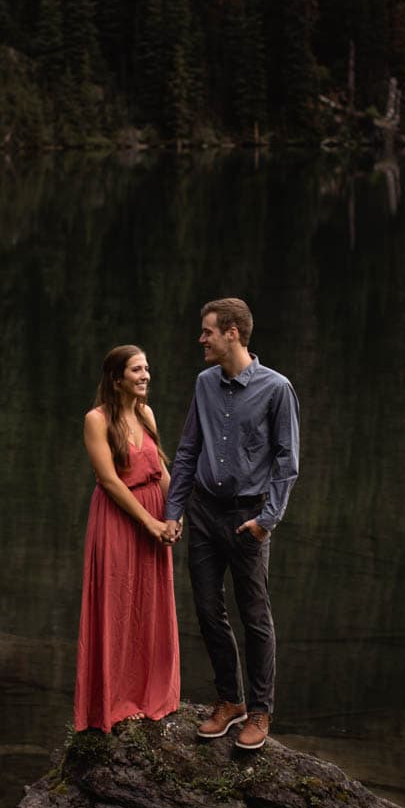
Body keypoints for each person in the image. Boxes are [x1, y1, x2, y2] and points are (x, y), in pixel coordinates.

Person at [165, 297, 299, 751]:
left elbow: (287, 461)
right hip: (202, 512)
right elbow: (187, 451)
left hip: (248, 518)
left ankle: (260, 712)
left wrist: (268, 520)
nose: (201, 339)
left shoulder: (277, 388)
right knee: (206, 610)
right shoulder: (204, 383)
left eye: (207, 331)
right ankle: (230, 702)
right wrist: (174, 511)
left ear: (232, 333)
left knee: (255, 615)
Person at [73, 344, 181, 732]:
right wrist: (148, 524)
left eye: (147, 369)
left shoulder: (146, 413)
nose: (146, 376)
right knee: (118, 604)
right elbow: (109, 481)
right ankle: (115, 700)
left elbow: (160, 471)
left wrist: (172, 514)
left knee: (149, 603)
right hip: (119, 521)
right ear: (117, 379)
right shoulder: (96, 420)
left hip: (154, 517)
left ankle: (151, 692)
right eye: (137, 370)